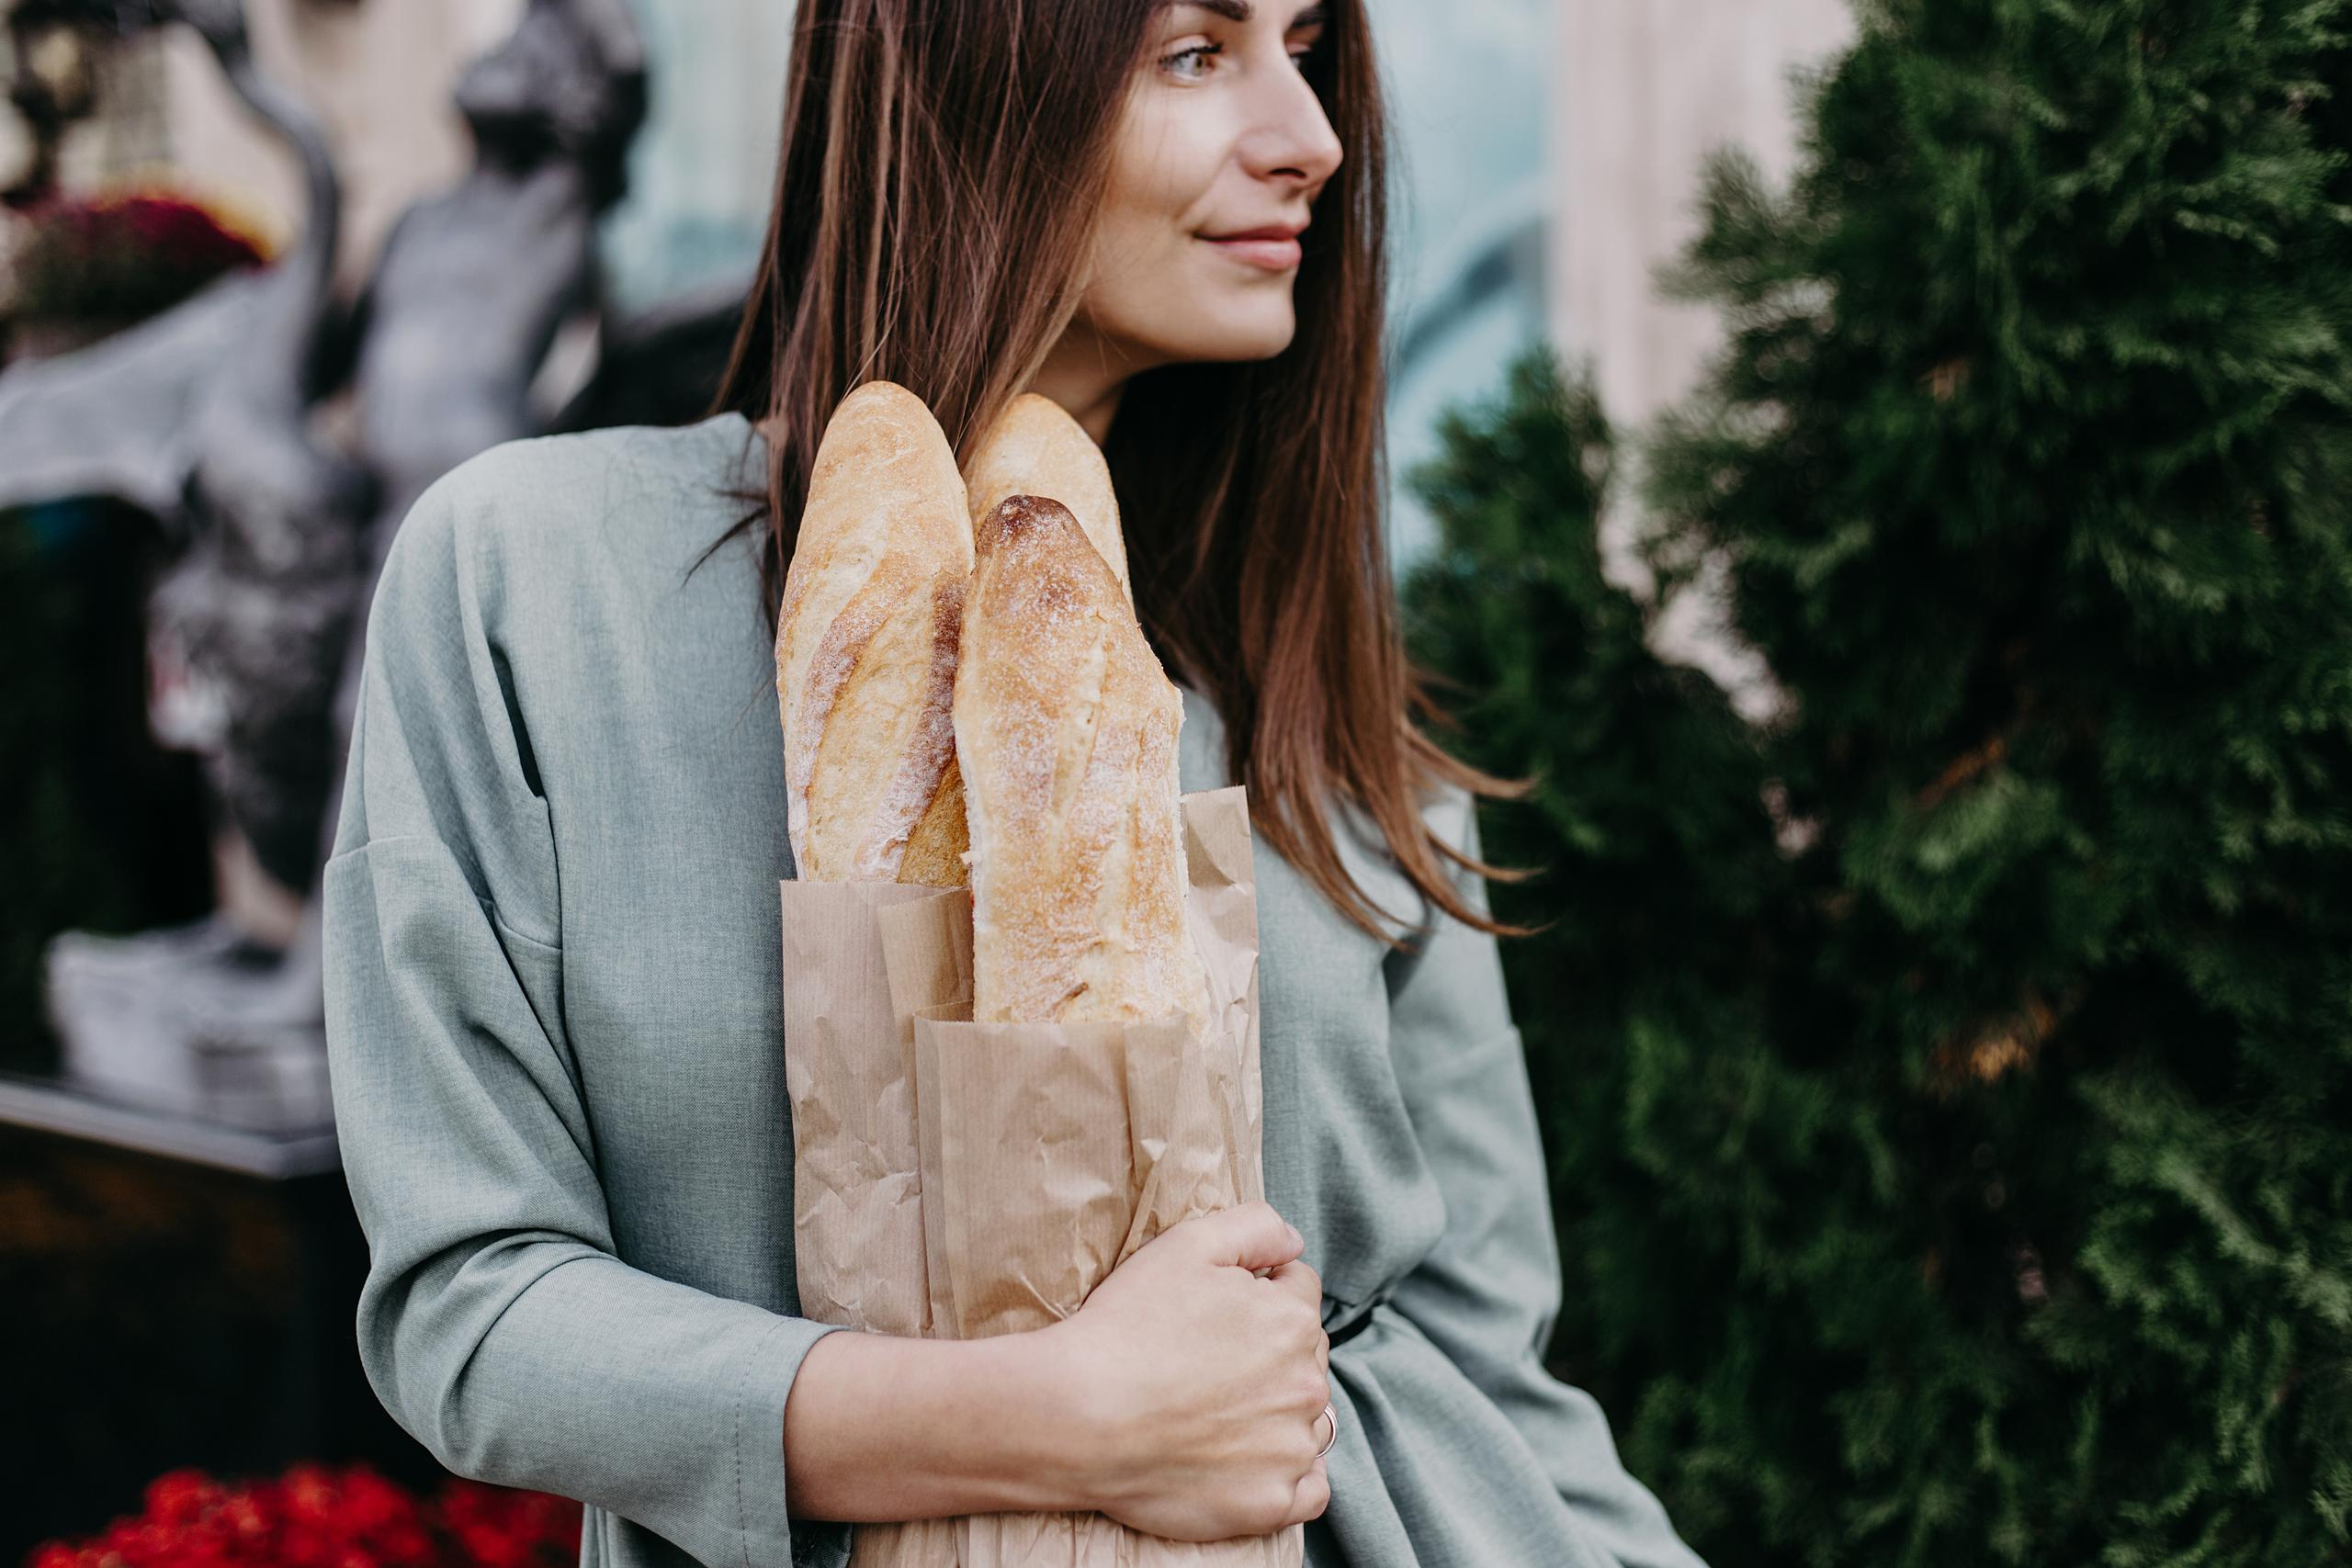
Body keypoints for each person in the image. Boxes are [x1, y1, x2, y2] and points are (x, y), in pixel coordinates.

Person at [320, 3, 1711, 1566]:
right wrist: (1059, 1417)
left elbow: (1488, 1376)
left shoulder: (1308, 678)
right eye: (1197, 50)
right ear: (962, 73)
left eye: (1305, 46)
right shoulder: (533, 586)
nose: (1311, 138)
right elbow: (475, 1303)